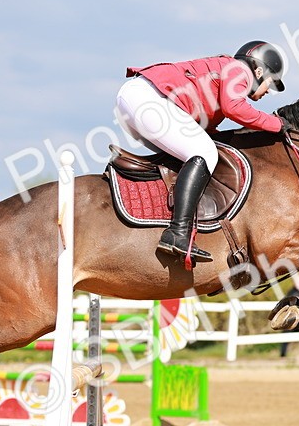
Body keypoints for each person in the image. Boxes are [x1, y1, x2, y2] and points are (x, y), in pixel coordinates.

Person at [116, 41, 287, 263]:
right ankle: (177, 233)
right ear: (258, 70)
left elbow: (209, 129)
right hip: (147, 99)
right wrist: (277, 124)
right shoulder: (238, 70)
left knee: (195, 152)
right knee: (204, 152)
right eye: (270, 83)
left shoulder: (225, 77)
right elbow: (234, 109)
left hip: (138, 100)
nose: (268, 92)